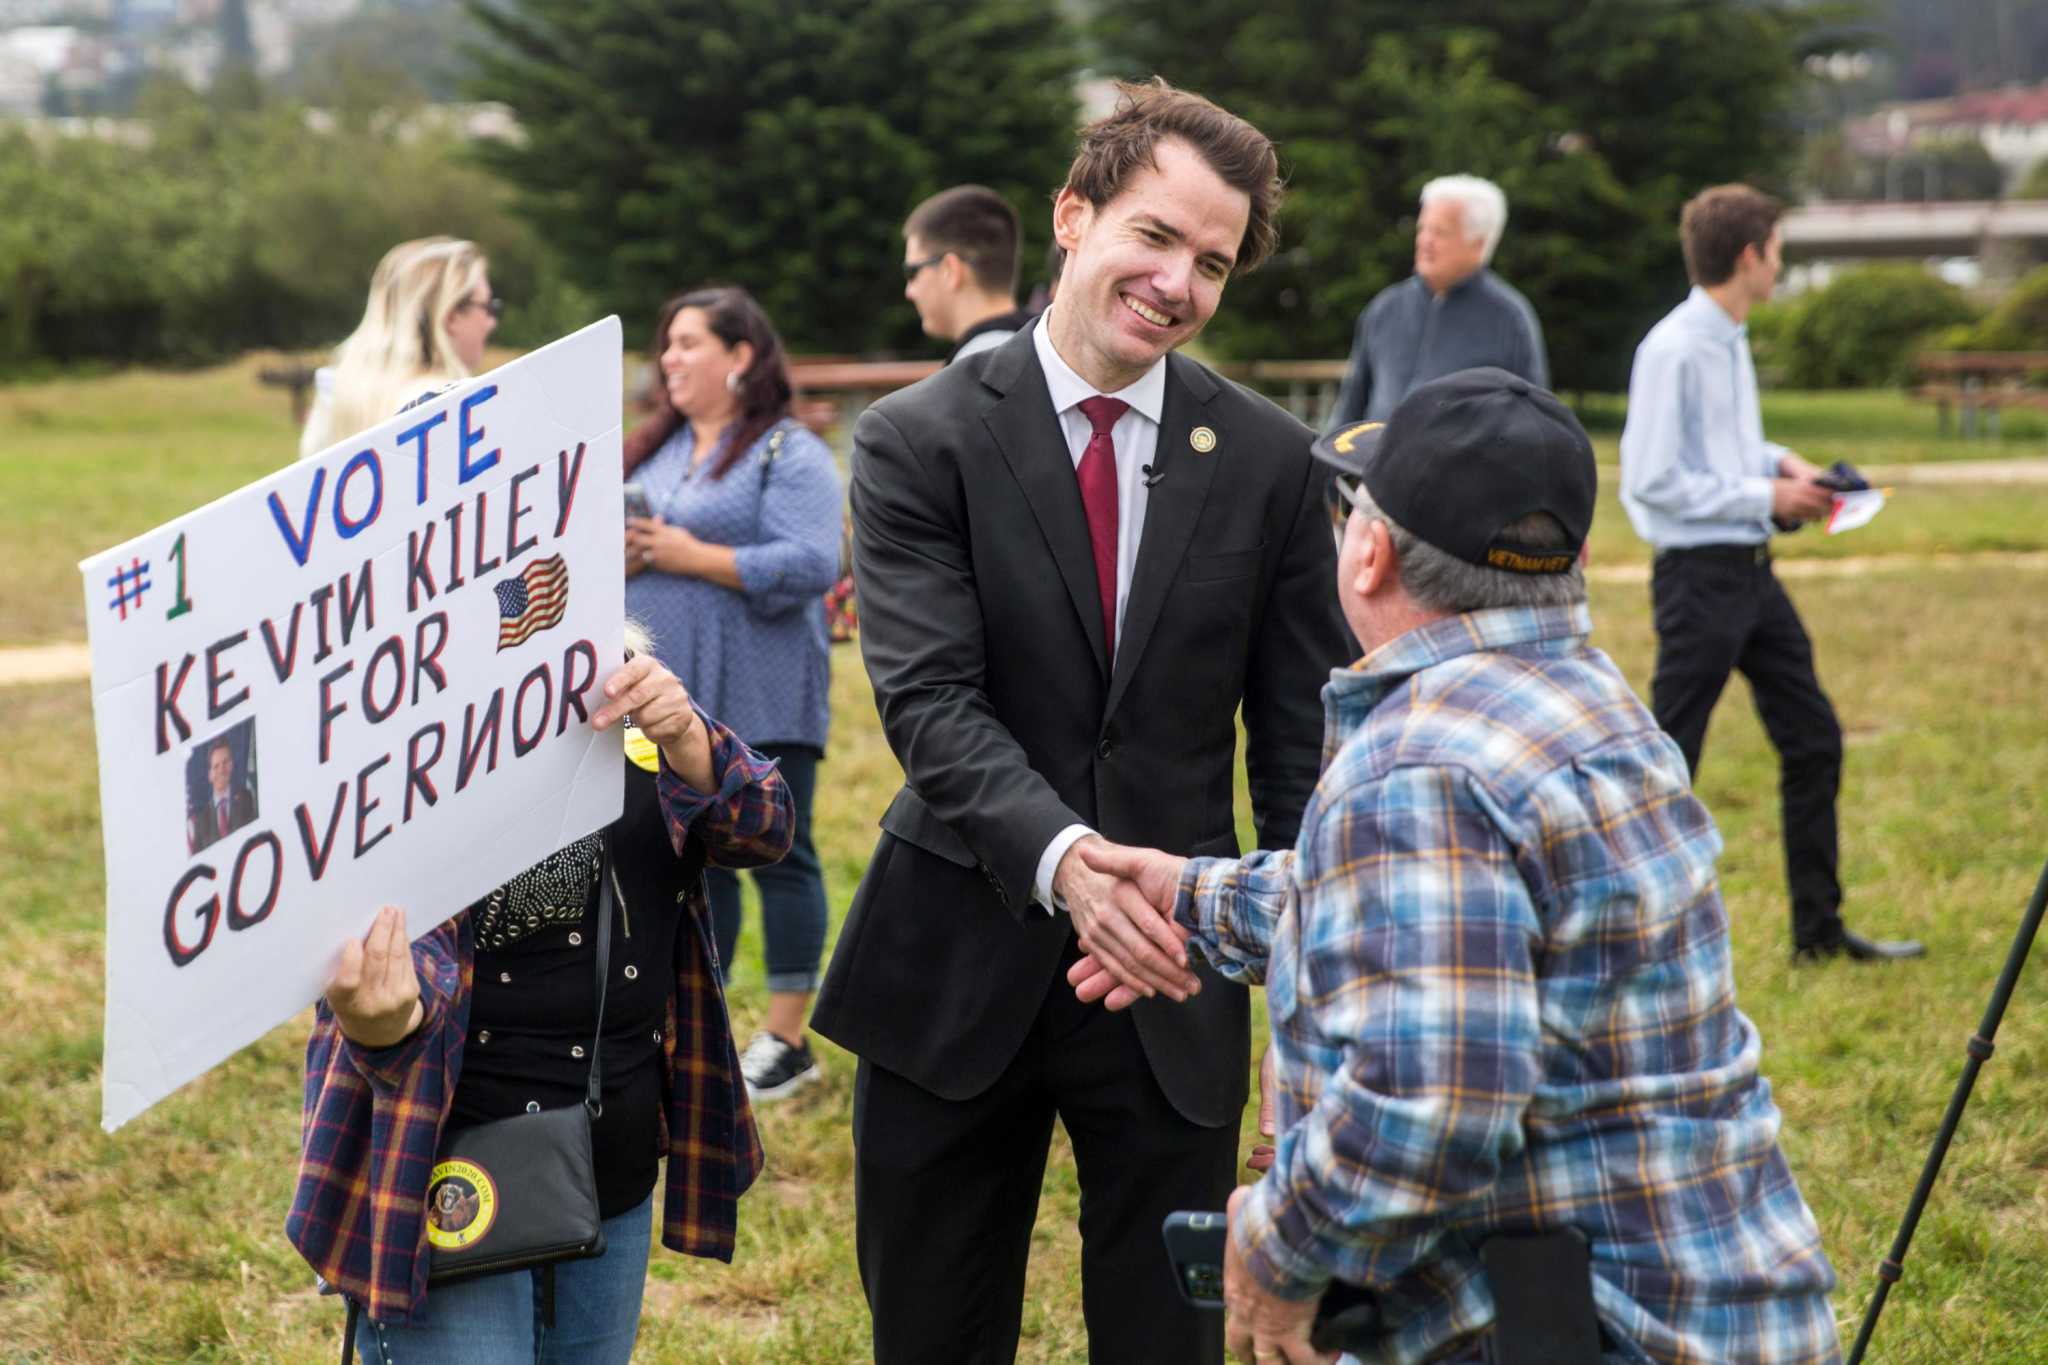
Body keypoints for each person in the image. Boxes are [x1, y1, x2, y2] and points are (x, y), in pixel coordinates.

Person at [1072, 369, 1843, 1365]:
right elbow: (1431, 915)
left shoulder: (1419, 764)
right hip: (1710, 1304)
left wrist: (1275, 1248)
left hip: (1582, 1332)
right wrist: (1189, 894)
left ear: (1370, 553)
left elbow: (1426, 1106)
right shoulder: (1587, 703)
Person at [811, 79, 1350, 1363]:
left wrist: (1307, 1007)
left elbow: (1299, 750)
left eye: (1210, 263)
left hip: (1174, 971)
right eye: (1154, 236)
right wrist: (1069, 865)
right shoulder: (916, 440)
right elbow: (928, 700)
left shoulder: (1273, 462)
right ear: (1071, 216)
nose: (1175, 283)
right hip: (952, 958)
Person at [287, 639, 793, 1362]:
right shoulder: (405, 727)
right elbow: (408, 956)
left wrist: (689, 737)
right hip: (450, 1167)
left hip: (610, 1163)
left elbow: (763, 827)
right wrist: (384, 1021)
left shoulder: (620, 684)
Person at [1620, 184, 1923, 964]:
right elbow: (1652, 479)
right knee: (1669, 762)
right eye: (1778, 251)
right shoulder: (1674, 348)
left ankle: (1818, 934)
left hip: (1754, 574)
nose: (1781, 266)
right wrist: (1768, 495)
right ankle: (1630, 940)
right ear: (1750, 255)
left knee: (1814, 739)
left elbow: (1724, 449)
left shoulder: (1729, 337)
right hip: (1697, 580)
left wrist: (1788, 466)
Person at [622, 285, 845, 1099]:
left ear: (741, 355)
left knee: (781, 856)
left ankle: (787, 1040)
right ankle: (700, 1027)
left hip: (764, 686)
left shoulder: (789, 451)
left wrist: (690, 555)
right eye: (667, 344)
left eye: (689, 342)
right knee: (690, 861)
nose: (670, 358)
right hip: (665, 700)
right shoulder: (653, 448)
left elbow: (814, 562)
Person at [1326, 175, 1547, 430]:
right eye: (1423, 228)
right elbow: (1349, 410)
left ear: (1478, 244)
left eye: (1440, 232)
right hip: (1376, 457)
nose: (1425, 241)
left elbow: (1533, 425)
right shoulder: (1384, 308)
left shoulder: (1510, 319)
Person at [299, 236, 501, 458]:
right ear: (452, 316)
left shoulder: (334, 391)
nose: (491, 322)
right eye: (489, 307)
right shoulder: (459, 408)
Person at [902, 185, 1038, 363]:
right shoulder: (1042, 348)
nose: (909, 291)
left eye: (912, 272)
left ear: (950, 270)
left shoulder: (976, 368)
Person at [188, 737, 255, 853]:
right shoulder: (200, 821)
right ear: (210, 775)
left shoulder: (245, 800)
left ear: (231, 765)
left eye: (225, 762)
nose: (221, 770)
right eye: (216, 766)